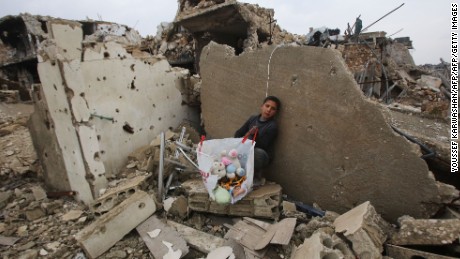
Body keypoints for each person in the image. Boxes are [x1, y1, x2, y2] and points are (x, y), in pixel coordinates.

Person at [234, 95, 281, 184]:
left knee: (257, 153)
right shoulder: (253, 119)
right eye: (267, 106)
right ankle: (241, 173)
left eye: (273, 109)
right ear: (262, 106)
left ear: (275, 112)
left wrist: (256, 134)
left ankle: (256, 176)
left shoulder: (272, 126)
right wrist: (239, 142)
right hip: (247, 149)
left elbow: (263, 145)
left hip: (262, 155)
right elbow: (238, 133)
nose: (268, 110)